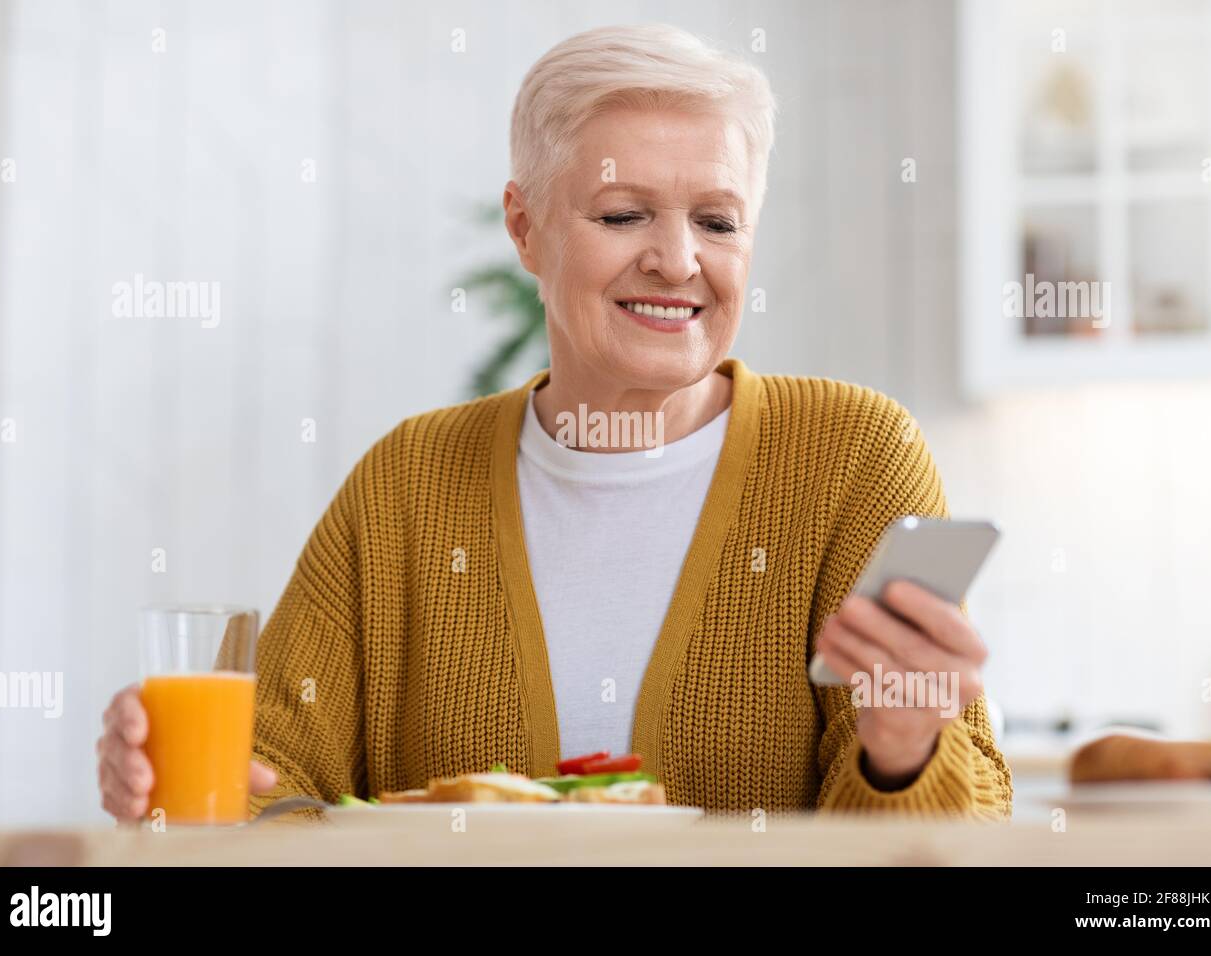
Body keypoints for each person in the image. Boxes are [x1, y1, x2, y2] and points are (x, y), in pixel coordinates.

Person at [98, 23, 1013, 821]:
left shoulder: (854, 458)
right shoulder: (406, 485)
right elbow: (269, 788)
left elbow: (948, 847)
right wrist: (171, 798)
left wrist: (902, 754)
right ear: (526, 228)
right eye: (624, 213)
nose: (677, 260)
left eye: (718, 222)